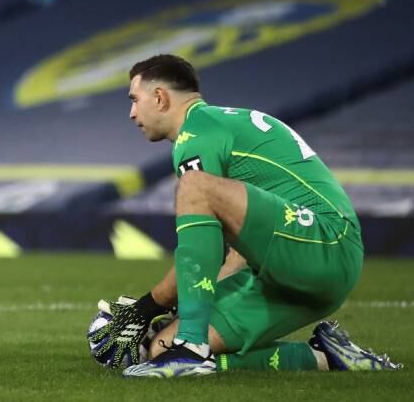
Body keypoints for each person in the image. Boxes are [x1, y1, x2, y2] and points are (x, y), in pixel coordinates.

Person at [91, 54, 401, 377]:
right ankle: (327, 356)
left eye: (134, 100)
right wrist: (179, 309)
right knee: (161, 348)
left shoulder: (197, 135)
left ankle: (191, 349)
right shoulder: (225, 127)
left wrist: (147, 307)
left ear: (159, 97)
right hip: (292, 267)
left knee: (193, 187)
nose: (131, 113)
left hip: (326, 240)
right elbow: (231, 257)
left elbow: (200, 218)